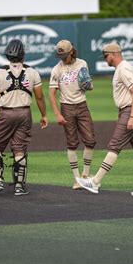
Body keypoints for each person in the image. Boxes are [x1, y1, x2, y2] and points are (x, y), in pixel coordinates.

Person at [76, 42, 133, 197]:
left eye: (106, 56)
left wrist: (132, 116)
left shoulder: (124, 68)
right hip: (132, 110)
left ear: (114, 54)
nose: (105, 59)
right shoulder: (122, 68)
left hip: (131, 110)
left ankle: (95, 182)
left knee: (114, 145)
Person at [0, 39, 48, 195]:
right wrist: (44, 115)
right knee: (20, 149)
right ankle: (19, 186)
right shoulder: (33, 72)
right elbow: (39, 97)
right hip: (25, 114)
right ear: (23, 55)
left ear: (7, 55)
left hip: (5, 114)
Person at [49, 40, 96, 189]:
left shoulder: (82, 64)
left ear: (71, 52)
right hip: (67, 108)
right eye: (60, 56)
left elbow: (87, 84)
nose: (62, 59)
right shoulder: (57, 69)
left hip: (82, 105)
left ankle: (85, 176)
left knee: (90, 141)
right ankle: (76, 179)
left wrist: (89, 85)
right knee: (72, 143)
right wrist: (57, 114)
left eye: (64, 55)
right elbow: (51, 93)